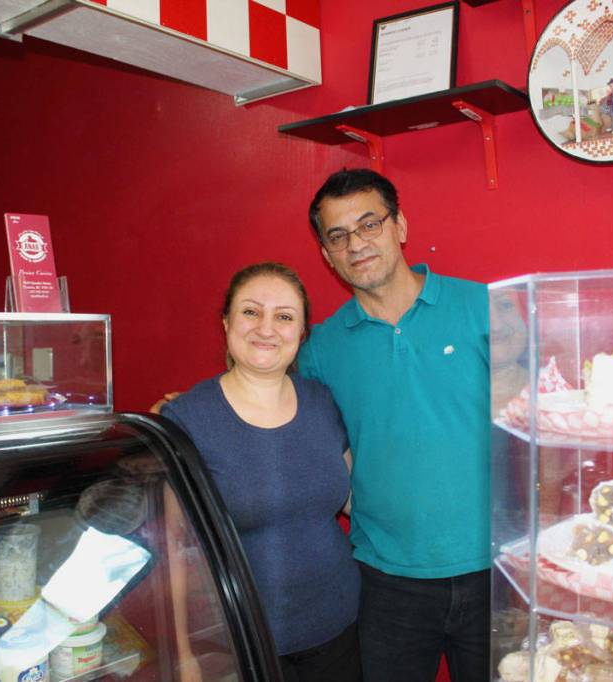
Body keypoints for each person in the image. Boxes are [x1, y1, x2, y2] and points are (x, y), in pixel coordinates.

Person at [298, 168, 490, 682]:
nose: (356, 244)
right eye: (337, 236)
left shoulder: (486, 308)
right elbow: (295, 431)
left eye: (369, 224)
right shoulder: (321, 347)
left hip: (496, 570)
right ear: (326, 254)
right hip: (385, 582)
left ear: (399, 225)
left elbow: (535, 429)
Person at [159, 262, 362, 682]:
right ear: (226, 322)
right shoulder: (185, 418)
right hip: (237, 642)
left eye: (284, 317)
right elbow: (172, 549)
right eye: (251, 312)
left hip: (338, 629)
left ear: (301, 334)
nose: (266, 328)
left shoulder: (322, 401)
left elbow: (351, 498)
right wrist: (181, 652)